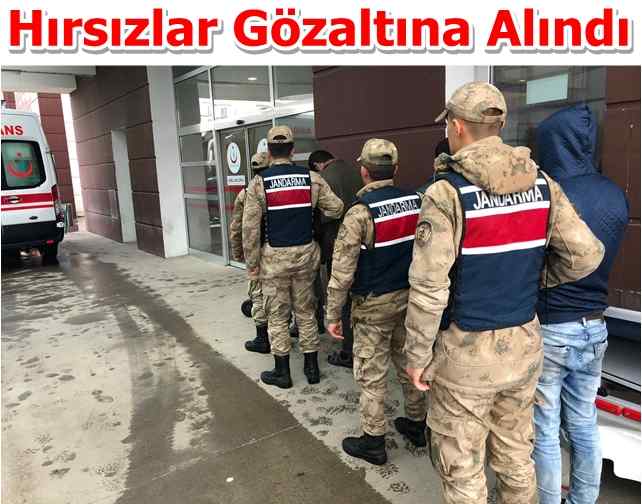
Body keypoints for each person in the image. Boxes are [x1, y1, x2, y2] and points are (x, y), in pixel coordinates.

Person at [403, 82, 605, 504]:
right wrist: (534, 278)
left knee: (462, 469)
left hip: (465, 356)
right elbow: (587, 254)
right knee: (516, 457)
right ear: (498, 125)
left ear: (458, 126)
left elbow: (428, 289)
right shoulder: (542, 184)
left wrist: (417, 357)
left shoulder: (446, 193)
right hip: (525, 347)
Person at [533, 104, 629, 504]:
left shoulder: (549, 196)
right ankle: (584, 499)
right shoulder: (613, 193)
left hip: (552, 326)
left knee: (544, 426)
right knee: (584, 422)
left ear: (553, 144)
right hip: (596, 325)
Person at [326, 139, 428, 466]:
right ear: (395, 169)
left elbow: (342, 270)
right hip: (410, 300)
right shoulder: (418, 201)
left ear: (364, 171)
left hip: (373, 307)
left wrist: (332, 314)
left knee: (371, 375)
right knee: (408, 363)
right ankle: (417, 425)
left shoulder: (360, 213)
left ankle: (373, 441)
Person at [242, 126, 344, 389]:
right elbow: (337, 208)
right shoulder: (312, 178)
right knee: (306, 312)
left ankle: (282, 372)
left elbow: (250, 230)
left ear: (269, 151)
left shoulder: (259, 183)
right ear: (293, 150)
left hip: (273, 260)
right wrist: (313, 215)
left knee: (277, 315)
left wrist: (252, 265)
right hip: (306, 256)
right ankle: (312, 368)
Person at [309, 149, 363, 369]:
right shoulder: (355, 170)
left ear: (317, 165)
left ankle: (348, 351)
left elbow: (322, 217)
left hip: (338, 244)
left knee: (343, 298)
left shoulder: (323, 179)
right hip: (364, 241)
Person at [229, 152, 271, 353]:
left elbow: (237, 227)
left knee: (258, 294)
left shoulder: (245, 192)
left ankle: (262, 339)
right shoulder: (278, 188)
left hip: (258, 251)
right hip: (280, 250)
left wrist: (238, 253)